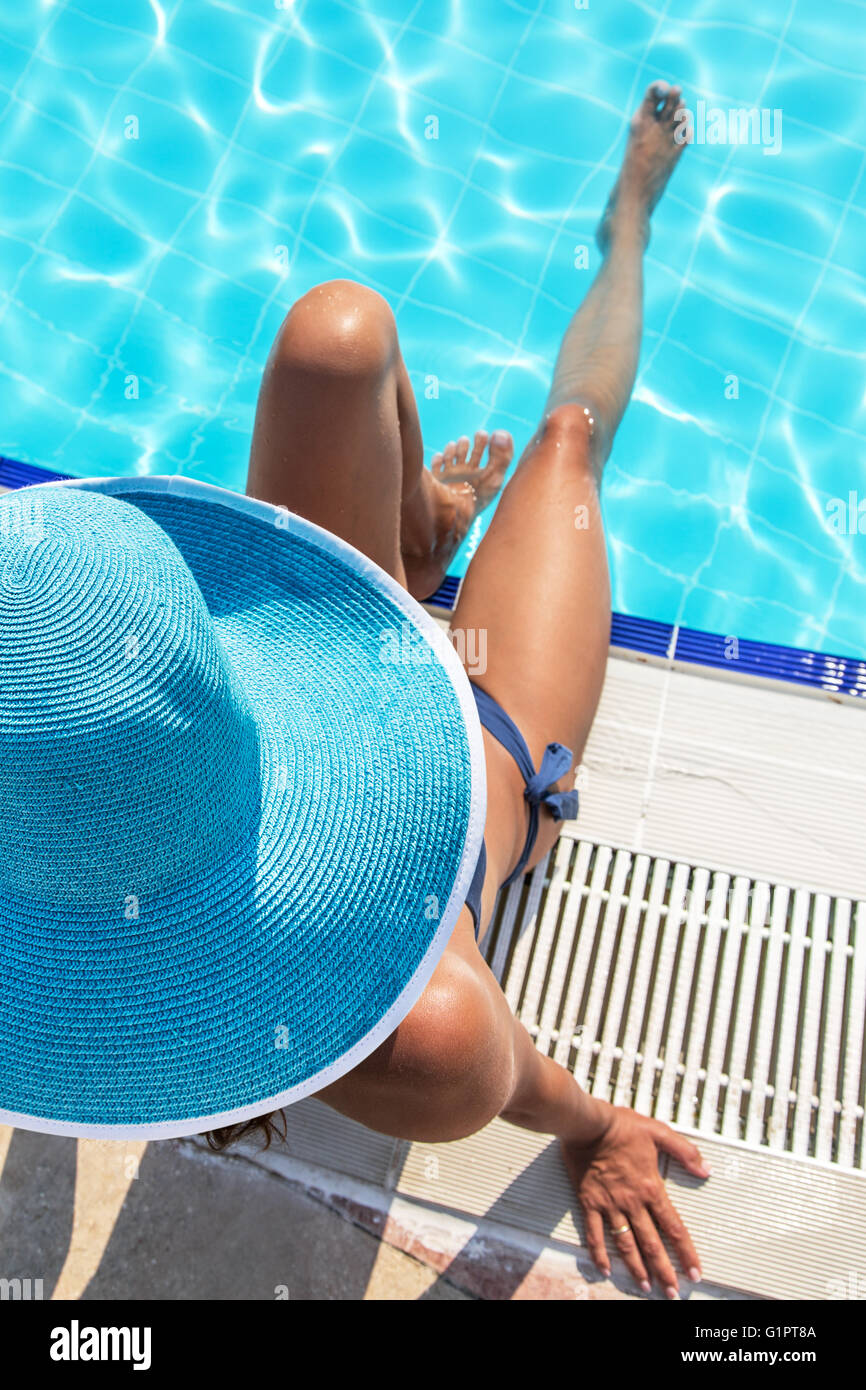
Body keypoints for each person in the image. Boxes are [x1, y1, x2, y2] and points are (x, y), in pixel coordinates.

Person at [229, 81, 711, 1299]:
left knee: (336, 335)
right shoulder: (406, 1032)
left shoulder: (72, 793)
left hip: (308, 671)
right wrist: (596, 1126)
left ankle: (415, 545)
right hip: (471, 743)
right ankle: (630, 222)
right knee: (563, 443)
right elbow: (519, 1080)